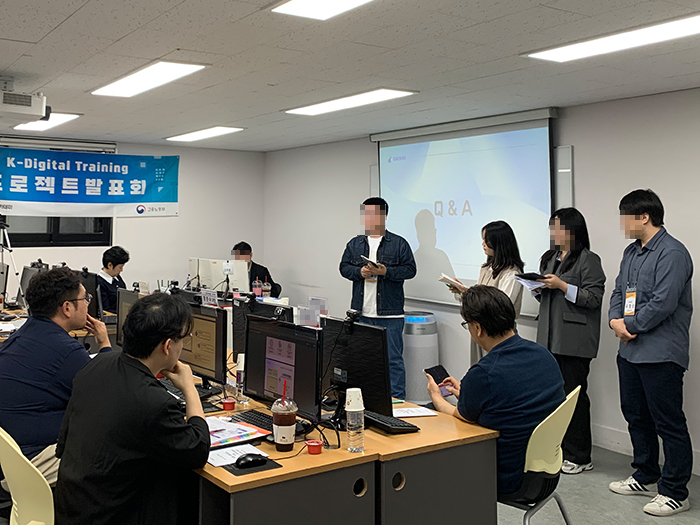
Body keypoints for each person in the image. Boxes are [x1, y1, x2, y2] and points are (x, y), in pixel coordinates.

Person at [54, 293, 210, 525]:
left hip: (73, 508)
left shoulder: (96, 364)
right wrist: (189, 388)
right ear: (168, 346)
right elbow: (198, 450)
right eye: (183, 339)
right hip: (113, 516)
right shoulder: (154, 403)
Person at [426, 285, 565, 497]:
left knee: (432, 423)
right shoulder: (543, 354)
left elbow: (461, 415)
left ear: (478, 328)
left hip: (505, 477)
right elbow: (512, 397)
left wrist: (437, 397)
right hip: (546, 473)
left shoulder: (485, 372)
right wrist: (468, 392)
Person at [608, 189, 693, 517]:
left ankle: (675, 492)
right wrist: (615, 321)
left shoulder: (673, 253)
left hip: (661, 354)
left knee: (668, 423)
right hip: (629, 352)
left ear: (644, 217)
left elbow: (663, 302)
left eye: (625, 217)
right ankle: (645, 474)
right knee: (636, 415)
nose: (622, 224)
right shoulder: (631, 252)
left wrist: (629, 325)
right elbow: (618, 290)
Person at [0, 267, 110, 492]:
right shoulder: (67, 352)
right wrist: (105, 345)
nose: (87, 304)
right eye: (85, 299)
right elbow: (111, 396)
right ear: (67, 308)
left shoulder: (22, 334)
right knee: (120, 455)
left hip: (8, 456)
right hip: (30, 463)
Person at [534, 208, 605, 475]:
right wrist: (538, 288)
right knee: (553, 396)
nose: (554, 233)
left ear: (574, 230)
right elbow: (547, 297)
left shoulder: (588, 260)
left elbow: (594, 298)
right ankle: (559, 449)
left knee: (573, 397)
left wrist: (562, 286)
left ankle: (580, 456)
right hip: (549, 337)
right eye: (552, 227)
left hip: (574, 340)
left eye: (559, 228)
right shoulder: (549, 258)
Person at [340, 197, 416, 399]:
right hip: (361, 313)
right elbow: (344, 267)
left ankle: (397, 401)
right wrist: (359, 272)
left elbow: (410, 270)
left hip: (390, 315)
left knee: (393, 361)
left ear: (383, 216)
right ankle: (366, 399)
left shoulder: (398, 243)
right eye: (366, 213)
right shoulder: (355, 243)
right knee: (363, 360)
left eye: (373, 214)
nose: (368, 218)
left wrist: (386, 272)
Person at [448, 221, 524, 364]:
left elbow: (501, 305)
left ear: (498, 242)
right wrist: (463, 293)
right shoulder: (486, 268)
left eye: (486, 240)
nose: (483, 244)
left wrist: (469, 292)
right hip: (480, 330)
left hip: (499, 334)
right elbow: (481, 300)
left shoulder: (511, 272)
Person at [97, 245, 129, 313]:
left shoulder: (117, 277)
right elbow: (105, 310)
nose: (121, 270)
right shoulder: (99, 283)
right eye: (120, 267)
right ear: (110, 265)